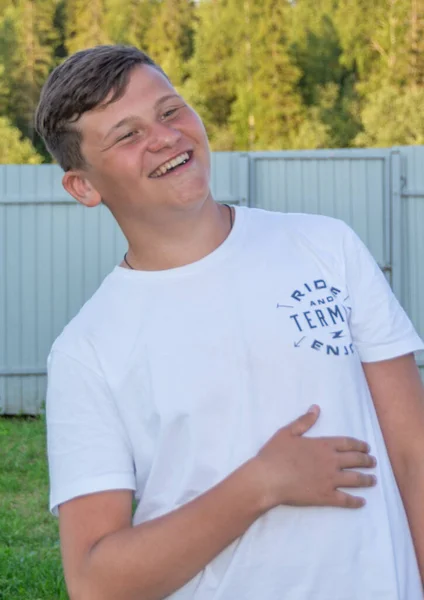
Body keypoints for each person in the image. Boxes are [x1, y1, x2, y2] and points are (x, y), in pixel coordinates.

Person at [36, 45, 424, 600]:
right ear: (84, 186)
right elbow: (96, 582)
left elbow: (414, 454)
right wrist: (262, 484)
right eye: (127, 135)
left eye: (170, 111)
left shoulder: (325, 246)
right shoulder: (87, 349)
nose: (165, 137)